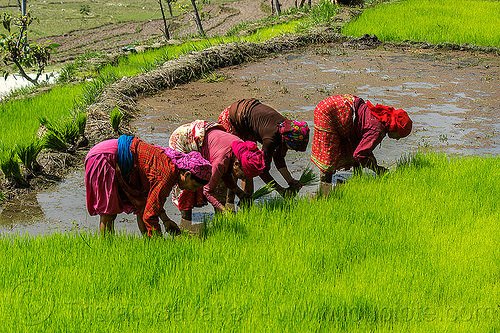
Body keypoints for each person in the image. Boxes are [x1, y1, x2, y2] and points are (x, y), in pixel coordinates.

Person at [85, 135, 212, 236]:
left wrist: (166, 221)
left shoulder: (171, 166)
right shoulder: (167, 174)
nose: (192, 190)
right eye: (194, 185)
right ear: (187, 175)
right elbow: (150, 216)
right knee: (108, 213)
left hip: (110, 153)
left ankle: (147, 245)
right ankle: (107, 250)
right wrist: (159, 246)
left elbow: (151, 203)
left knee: (143, 206)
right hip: (104, 158)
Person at [310, 94, 413, 195]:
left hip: (342, 104)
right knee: (329, 155)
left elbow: (360, 149)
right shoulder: (377, 130)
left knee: (352, 148)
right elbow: (360, 155)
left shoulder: (381, 118)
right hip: (330, 112)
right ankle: (325, 190)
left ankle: (344, 182)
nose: (398, 139)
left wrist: (364, 170)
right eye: (399, 135)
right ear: (395, 128)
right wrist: (377, 169)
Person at [169, 120, 265, 222]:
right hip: (183, 139)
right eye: (243, 176)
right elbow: (207, 191)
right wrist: (224, 210)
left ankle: (219, 220)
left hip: (205, 137)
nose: (243, 179)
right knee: (189, 182)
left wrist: (240, 194)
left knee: (219, 183)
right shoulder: (221, 161)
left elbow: (226, 174)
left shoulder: (241, 150)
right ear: (236, 165)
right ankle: (186, 222)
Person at [218, 98, 310, 196]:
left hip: (248, 124)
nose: (294, 151)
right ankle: (230, 200)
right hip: (234, 120)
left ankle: (247, 199)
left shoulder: (285, 130)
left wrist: (291, 181)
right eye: (294, 148)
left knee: (249, 162)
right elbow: (262, 170)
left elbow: (278, 158)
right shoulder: (271, 138)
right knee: (240, 164)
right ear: (288, 140)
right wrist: (280, 190)